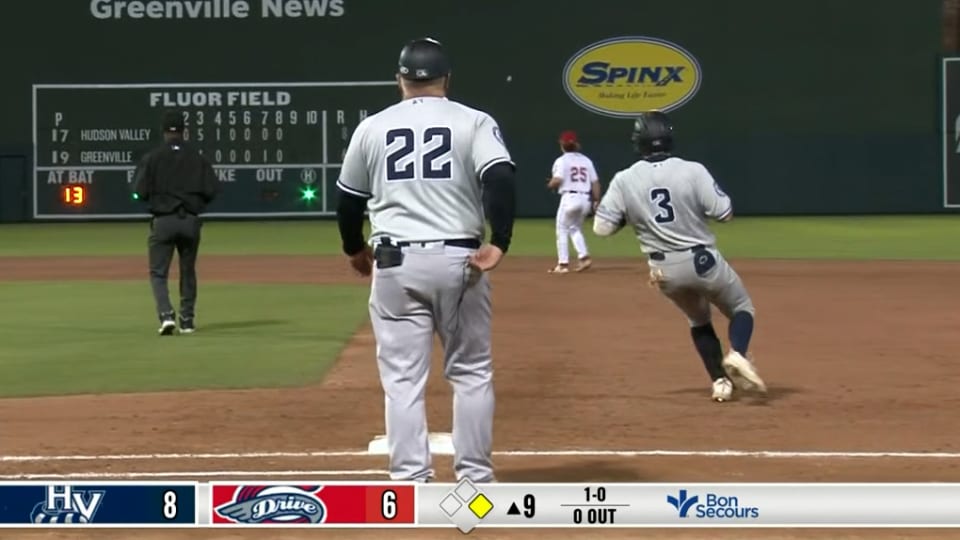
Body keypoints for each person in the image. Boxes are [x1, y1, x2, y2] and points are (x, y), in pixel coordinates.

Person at [335, 37, 516, 482]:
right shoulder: (474, 121)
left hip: (395, 262)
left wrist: (354, 248)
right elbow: (499, 178)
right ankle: (475, 480)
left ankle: (411, 481)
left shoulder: (372, 127)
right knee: (471, 372)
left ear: (399, 79)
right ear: (446, 79)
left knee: (402, 380)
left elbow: (348, 200)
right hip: (460, 260)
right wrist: (501, 241)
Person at [592, 111, 767, 402]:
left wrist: (630, 216)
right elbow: (724, 213)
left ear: (638, 142)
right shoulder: (692, 170)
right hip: (702, 261)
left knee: (698, 320)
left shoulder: (624, 179)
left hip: (664, 271)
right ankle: (737, 353)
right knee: (741, 307)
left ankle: (720, 383)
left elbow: (601, 228)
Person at [133, 110, 220, 336]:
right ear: (184, 131)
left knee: (158, 273)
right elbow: (212, 190)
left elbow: (139, 191)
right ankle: (187, 320)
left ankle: (166, 316)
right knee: (188, 270)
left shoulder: (152, 158)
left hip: (163, 221)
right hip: (190, 220)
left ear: (164, 132)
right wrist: (195, 203)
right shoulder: (197, 158)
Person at [546, 130, 601, 274]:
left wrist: (550, 184)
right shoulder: (586, 160)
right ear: (576, 144)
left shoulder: (562, 160)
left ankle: (562, 264)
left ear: (562, 144)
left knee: (562, 229)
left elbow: (558, 180)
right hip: (585, 199)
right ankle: (584, 257)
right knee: (575, 228)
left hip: (570, 198)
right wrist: (596, 200)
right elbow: (595, 182)